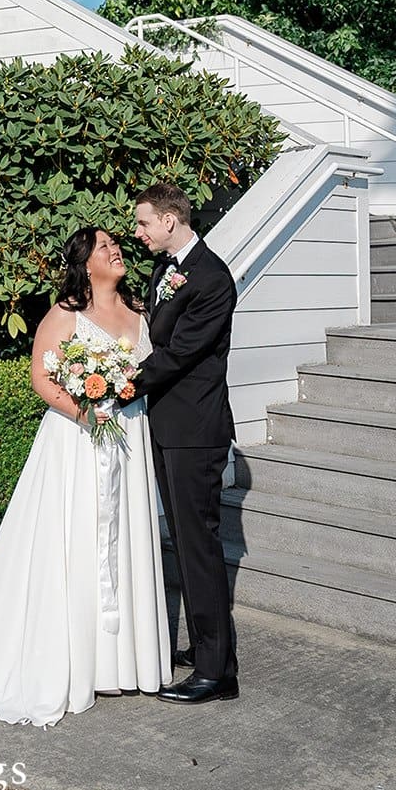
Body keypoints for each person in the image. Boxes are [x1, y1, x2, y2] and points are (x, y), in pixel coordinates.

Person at [0, 227, 172, 726]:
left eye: (116, 244)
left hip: (129, 438)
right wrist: (84, 413)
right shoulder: (66, 314)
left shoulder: (141, 311)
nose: (115, 251)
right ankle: (75, 657)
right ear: (86, 264)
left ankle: (123, 660)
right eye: (105, 247)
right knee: (75, 541)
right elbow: (42, 377)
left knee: (123, 542)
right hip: (78, 441)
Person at [133, 181, 239, 704]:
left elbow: (180, 354)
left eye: (144, 223)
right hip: (168, 424)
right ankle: (211, 652)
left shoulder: (212, 278)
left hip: (196, 430)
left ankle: (215, 675)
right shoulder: (165, 270)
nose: (139, 233)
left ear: (169, 221)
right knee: (185, 539)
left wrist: (121, 383)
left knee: (199, 547)